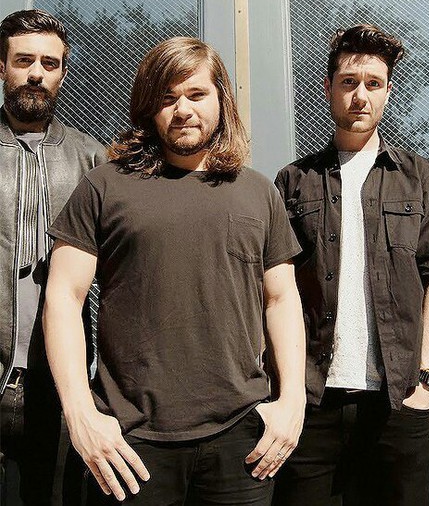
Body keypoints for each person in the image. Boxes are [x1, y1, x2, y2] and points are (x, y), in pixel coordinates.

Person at [42, 36, 306, 505]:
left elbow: (281, 299)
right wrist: (80, 413)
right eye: (167, 98)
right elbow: (63, 297)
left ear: (221, 99)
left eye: (196, 94)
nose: (182, 109)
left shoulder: (258, 191)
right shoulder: (105, 185)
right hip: (129, 444)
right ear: (149, 108)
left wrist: (293, 402)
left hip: (241, 442)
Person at [272, 23, 429, 506]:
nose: (361, 96)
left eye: (373, 84)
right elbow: (276, 290)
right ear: (328, 89)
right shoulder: (293, 181)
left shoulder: (421, 178)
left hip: (399, 401)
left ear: (387, 92)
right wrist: (284, 390)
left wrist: (428, 379)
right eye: (349, 82)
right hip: (313, 401)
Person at [0, 9, 107, 506]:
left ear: (63, 72)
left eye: (50, 62)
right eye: (24, 60)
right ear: (2, 67)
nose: (36, 73)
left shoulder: (92, 161)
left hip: (63, 389)